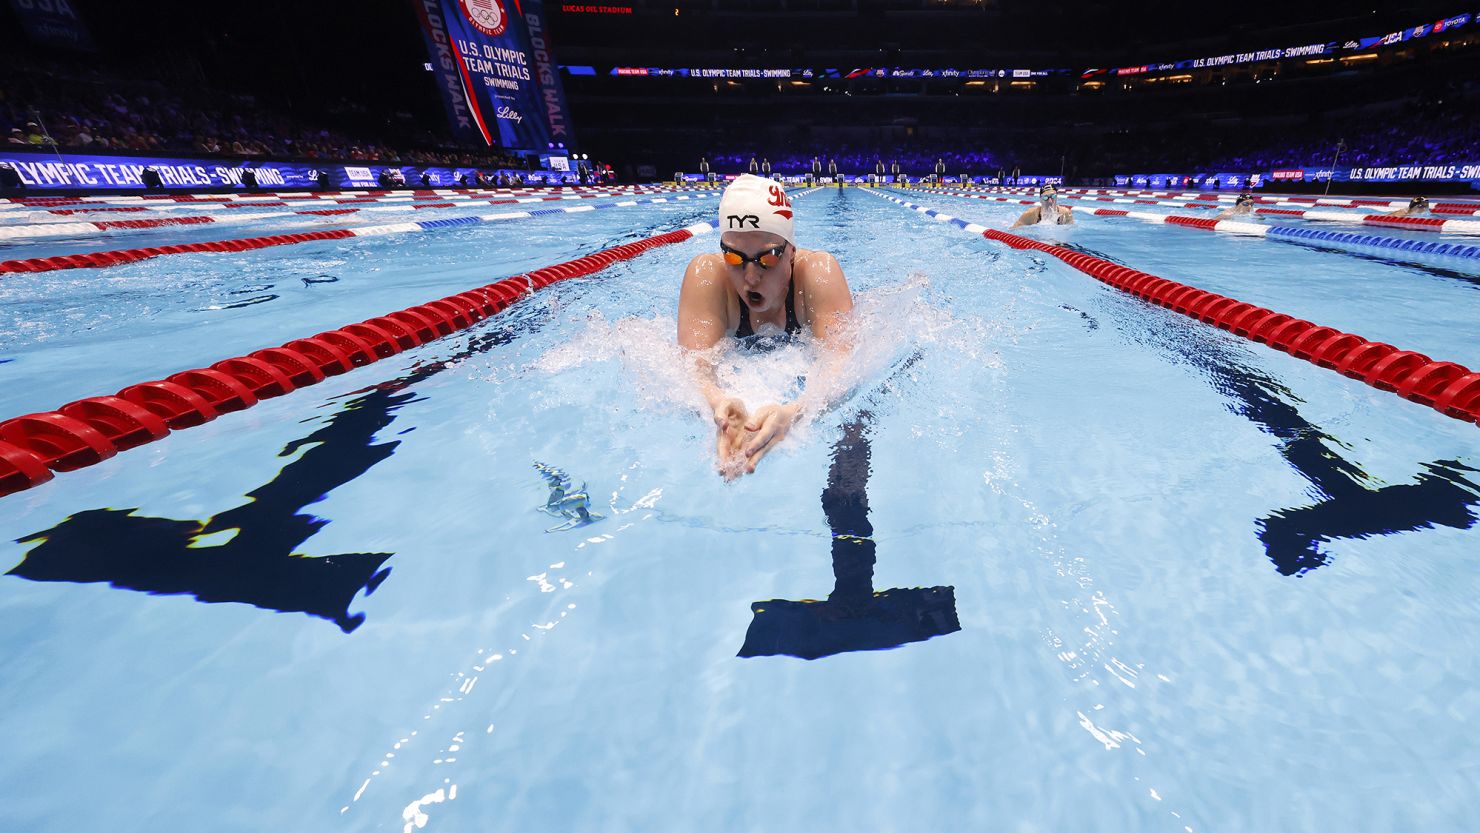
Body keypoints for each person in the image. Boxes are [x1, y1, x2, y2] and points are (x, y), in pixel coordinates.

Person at [676, 174, 855, 479]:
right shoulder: (707, 277)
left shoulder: (818, 275)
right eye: (733, 257)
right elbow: (693, 367)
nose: (750, 277)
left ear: (791, 252)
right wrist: (718, 402)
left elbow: (844, 364)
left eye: (768, 259)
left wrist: (796, 412)